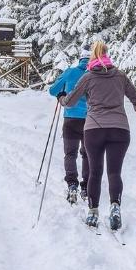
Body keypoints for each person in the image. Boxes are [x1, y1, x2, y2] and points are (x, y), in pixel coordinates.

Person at [58, 41, 136, 231]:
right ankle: (115, 206)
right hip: (120, 129)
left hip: (94, 129)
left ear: (92, 57)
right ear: (107, 55)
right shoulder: (120, 75)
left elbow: (70, 101)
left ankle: (93, 212)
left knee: (96, 172)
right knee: (114, 172)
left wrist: (61, 98)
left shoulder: (88, 77)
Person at [48, 45, 91, 204]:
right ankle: (86, 187)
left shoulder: (70, 72)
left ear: (80, 58)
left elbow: (53, 90)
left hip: (71, 119)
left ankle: (72, 184)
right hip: (90, 120)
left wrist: (62, 94)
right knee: (87, 154)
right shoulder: (94, 74)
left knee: (70, 154)